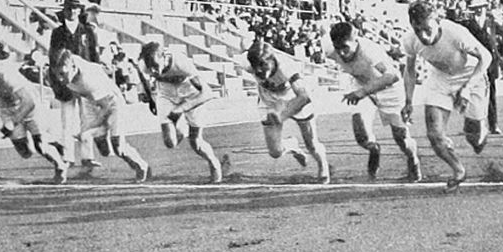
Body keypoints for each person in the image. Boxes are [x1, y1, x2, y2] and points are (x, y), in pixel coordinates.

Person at [402, 0, 491, 192]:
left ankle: (481, 127)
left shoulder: (455, 33)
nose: (423, 36)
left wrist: (467, 88)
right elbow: (409, 71)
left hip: (470, 75)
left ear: (437, 21)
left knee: (474, 140)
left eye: (427, 29)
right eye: (418, 30)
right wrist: (408, 100)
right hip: (441, 78)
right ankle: (458, 170)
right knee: (434, 134)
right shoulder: (410, 40)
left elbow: (486, 57)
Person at [328, 22, 421, 182]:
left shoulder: (370, 50)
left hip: (388, 90)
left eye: (345, 47)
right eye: (338, 49)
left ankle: (413, 160)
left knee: (401, 138)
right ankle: (374, 149)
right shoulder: (329, 49)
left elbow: (392, 76)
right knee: (361, 134)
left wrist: (361, 92)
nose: (342, 53)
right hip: (362, 86)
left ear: (355, 40)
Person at [51, 49, 150, 182]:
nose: (60, 79)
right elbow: (66, 57)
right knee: (103, 149)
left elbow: (104, 110)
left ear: (73, 67)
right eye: (57, 74)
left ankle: (141, 166)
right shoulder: (68, 64)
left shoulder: (88, 81)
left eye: (63, 74)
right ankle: (110, 153)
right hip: (95, 102)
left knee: (118, 147)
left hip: (113, 104)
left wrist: (91, 128)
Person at [0, 52, 68, 184]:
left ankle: (60, 165)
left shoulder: (8, 77)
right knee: (25, 153)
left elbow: (29, 102)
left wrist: (13, 122)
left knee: (40, 146)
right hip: (6, 109)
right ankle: (54, 144)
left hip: (29, 105)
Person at [140, 41, 227, 183]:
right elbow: (143, 77)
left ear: (164, 57)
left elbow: (206, 94)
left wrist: (181, 109)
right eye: (150, 68)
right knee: (170, 142)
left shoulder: (181, 62)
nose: (153, 71)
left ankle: (214, 163)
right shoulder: (144, 65)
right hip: (167, 95)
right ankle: (180, 125)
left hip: (191, 95)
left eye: (156, 66)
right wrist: (149, 96)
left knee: (196, 143)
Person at [246, 40, 330, 184]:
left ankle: (323, 166)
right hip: (269, 102)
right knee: (275, 152)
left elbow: (303, 97)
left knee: (311, 144)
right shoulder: (246, 61)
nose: (259, 70)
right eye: (255, 66)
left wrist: (282, 115)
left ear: (272, 60)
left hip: (293, 100)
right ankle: (292, 145)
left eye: (263, 64)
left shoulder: (287, 67)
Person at [48, 0, 100, 176]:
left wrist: (95, 78)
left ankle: (87, 156)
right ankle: (68, 156)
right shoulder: (57, 32)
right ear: (65, 11)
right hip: (66, 82)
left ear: (79, 11)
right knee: (67, 121)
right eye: (68, 9)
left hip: (85, 80)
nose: (71, 12)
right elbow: (53, 58)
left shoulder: (87, 31)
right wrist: (57, 82)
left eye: (74, 9)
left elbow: (94, 57)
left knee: (87, 119)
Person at [460, 0, 503, 134]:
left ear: (485, 7)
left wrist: (499, 56)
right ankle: (473, 125)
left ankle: (493, 124)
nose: (479, 10)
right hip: (476, 63)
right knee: (474, 94)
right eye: (476, 8)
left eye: (481, 7)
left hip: (491, 63)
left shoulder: (492, 22)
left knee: (491, 95)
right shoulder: (468, 24)